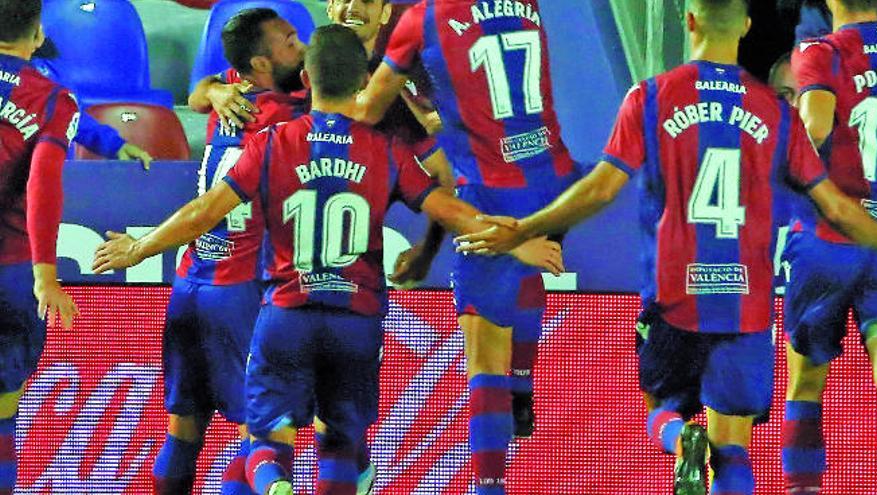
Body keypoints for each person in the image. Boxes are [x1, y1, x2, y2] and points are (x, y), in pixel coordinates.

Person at [92, 24, 562, 495]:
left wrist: (138, 247)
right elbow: (453, 210)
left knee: (261, 441)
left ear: (309, 79)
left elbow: (203, 212)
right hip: (354, 320)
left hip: (285, 313)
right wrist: (517, 240)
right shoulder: (386, 150)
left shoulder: (271, 140)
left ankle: (274, 483)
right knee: (340, 444)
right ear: (363, 84)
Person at [455, 0, 877, 494]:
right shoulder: (777, 112)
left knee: (659, 409)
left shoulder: (652, 97)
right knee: (735, 448)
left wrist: (526, 228)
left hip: (675, 295)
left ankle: (681, 439)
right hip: (746, 302)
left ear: (690, 20)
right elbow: (837, 205)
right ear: (745, 25)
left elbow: (599, 189)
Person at [353, 0, 582, 490]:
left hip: (493, 189)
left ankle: (488, 485)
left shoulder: (422, 19)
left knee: (483, 355)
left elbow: (366, 110)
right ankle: (522, 384)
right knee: (526, 272)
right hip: (558, 177)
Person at [150, 9, 307, 495]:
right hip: (244, 290)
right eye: (289, 41)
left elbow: (200, 92)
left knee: (183, 432)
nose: (300, 47)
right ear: (261, 63)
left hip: (191, 283)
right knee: (259, 439)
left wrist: (213, 89)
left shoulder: (229, 97)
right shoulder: (291, 114)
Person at [785, 0, 877, 493]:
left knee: (805, 381)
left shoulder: (821, 52)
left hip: (830, 237)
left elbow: (813, 130)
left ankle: (804, 487)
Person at [0, 0, 80, 493]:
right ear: (37, 34)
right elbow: (43, 180)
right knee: (4, 409)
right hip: (12, 270)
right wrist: (45, 274)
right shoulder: (52, 98)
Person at [30, 37, 154, 169]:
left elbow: (73, 118)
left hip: (57, 178)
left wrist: (116, 146)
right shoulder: (9, 78)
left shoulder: (51, 72)